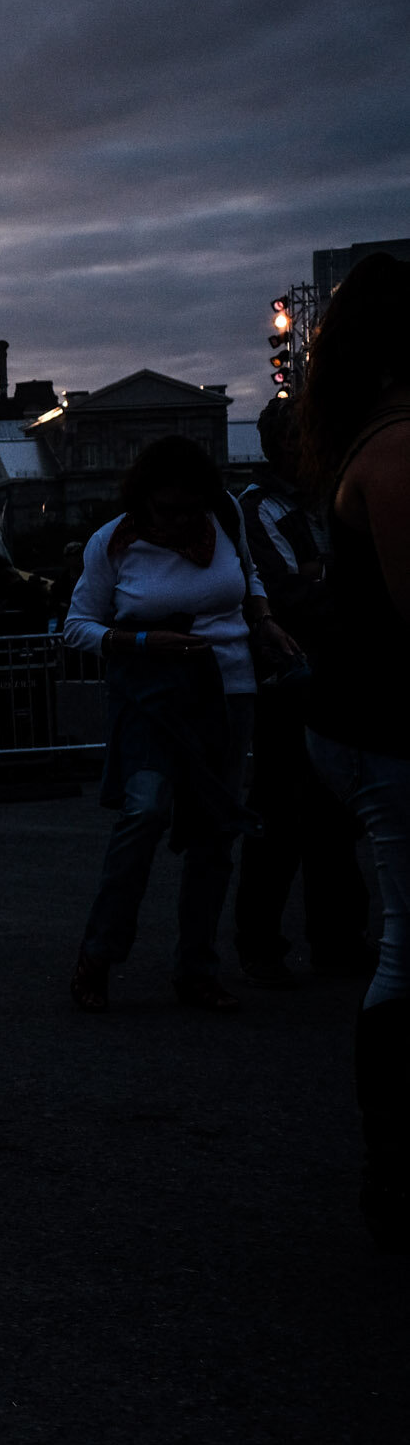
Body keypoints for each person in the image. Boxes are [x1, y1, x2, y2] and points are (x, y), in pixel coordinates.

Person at [64, 434, 290, 1014]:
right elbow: (77, 626)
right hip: (154, 696)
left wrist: (261, 620)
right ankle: (98, 954)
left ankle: (197, 970)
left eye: (192, 506)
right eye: (170, 510)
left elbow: (247, 578)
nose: (185, 519)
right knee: (144, 815)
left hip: (229, 690)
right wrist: (141, 640)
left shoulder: (224, 519)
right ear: (144, 502)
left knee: (215, 834)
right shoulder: (113, 542)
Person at [293, 251, 410, 1248]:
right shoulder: (400, 445)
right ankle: (391, 1159)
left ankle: (391, 1158)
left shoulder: (367, 439)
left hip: (361, 720)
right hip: (389, 725)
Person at [232, 393, 371, 984]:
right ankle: (272, 943)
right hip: (291, 682)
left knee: (327, 815)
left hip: (323, 674)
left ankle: (324, 940)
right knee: (287, 813)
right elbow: (292, 594)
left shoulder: (312, 504)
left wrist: (323, 580)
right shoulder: (258, 507)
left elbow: (315, 586)